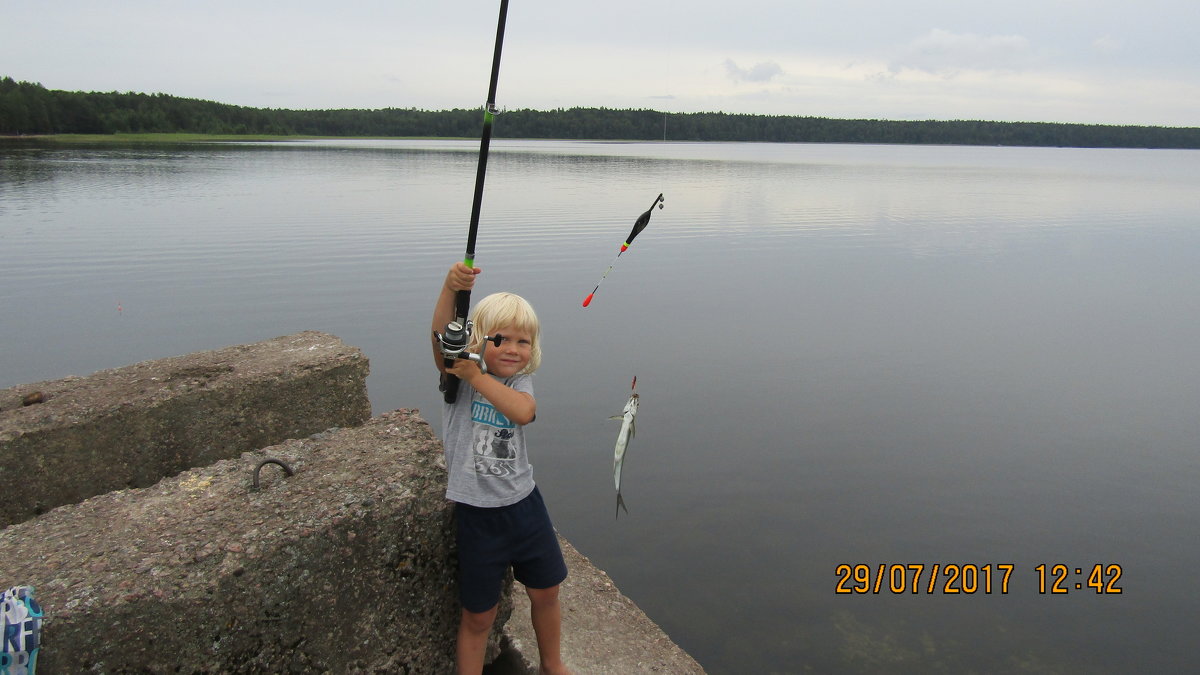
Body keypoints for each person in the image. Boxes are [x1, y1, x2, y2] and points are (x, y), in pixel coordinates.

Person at [431, 261, 571, 675]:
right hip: (477, 516)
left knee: (547, 591)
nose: (512, 348)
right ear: (475, 340)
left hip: (525, 507)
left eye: (523, 341)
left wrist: (479, 376)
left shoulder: (517, 384)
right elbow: (441, 339)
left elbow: (524, 413)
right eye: (500, 339)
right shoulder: (457, 376)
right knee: (478, 617)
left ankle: (553, 665)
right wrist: (449, 288)